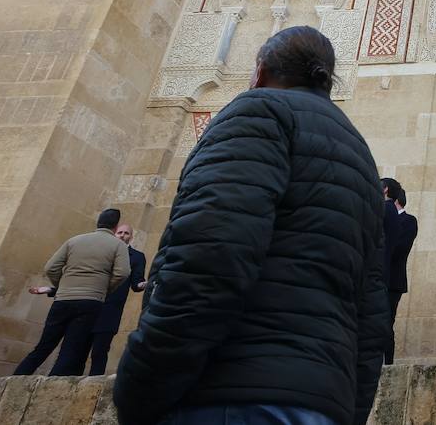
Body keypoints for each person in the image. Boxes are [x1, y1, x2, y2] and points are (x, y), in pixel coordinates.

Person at [114, 26, 389, 425]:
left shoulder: (259, 111)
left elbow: (209, 257)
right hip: (319, 403)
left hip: (229, 393)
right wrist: (347, 406)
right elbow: (372, 309)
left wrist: (140, 387)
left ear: (259, 72)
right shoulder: (362, 162)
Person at [15, 209, 130, 376]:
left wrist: (62, 286)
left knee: (43, 346)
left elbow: (50, 268)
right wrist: (104, 289)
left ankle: (18, 378)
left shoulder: (74, 241)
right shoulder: (118, 245)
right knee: (71, 349)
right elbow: (123, 273)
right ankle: (53, 389)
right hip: (90, 301)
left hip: (62, 299)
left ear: (98, 223)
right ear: (115, 227)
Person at [87, 223, 147, 376]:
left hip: (111, 309)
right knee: (78, 348)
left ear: (131, 237)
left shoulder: (137, 257)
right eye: (119, 232)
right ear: (114, 234)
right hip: (90, 304)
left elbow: (136, 283)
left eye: (126, 233)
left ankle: (94, 384)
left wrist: (145, 284)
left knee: (100, 351)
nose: (122, 235)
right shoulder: (102, 251)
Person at [383, 179, 418, 365]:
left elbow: (399, 248)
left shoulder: (409, 221)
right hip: (377, 278)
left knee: (386, 323)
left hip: (392, 281)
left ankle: (387, 363)